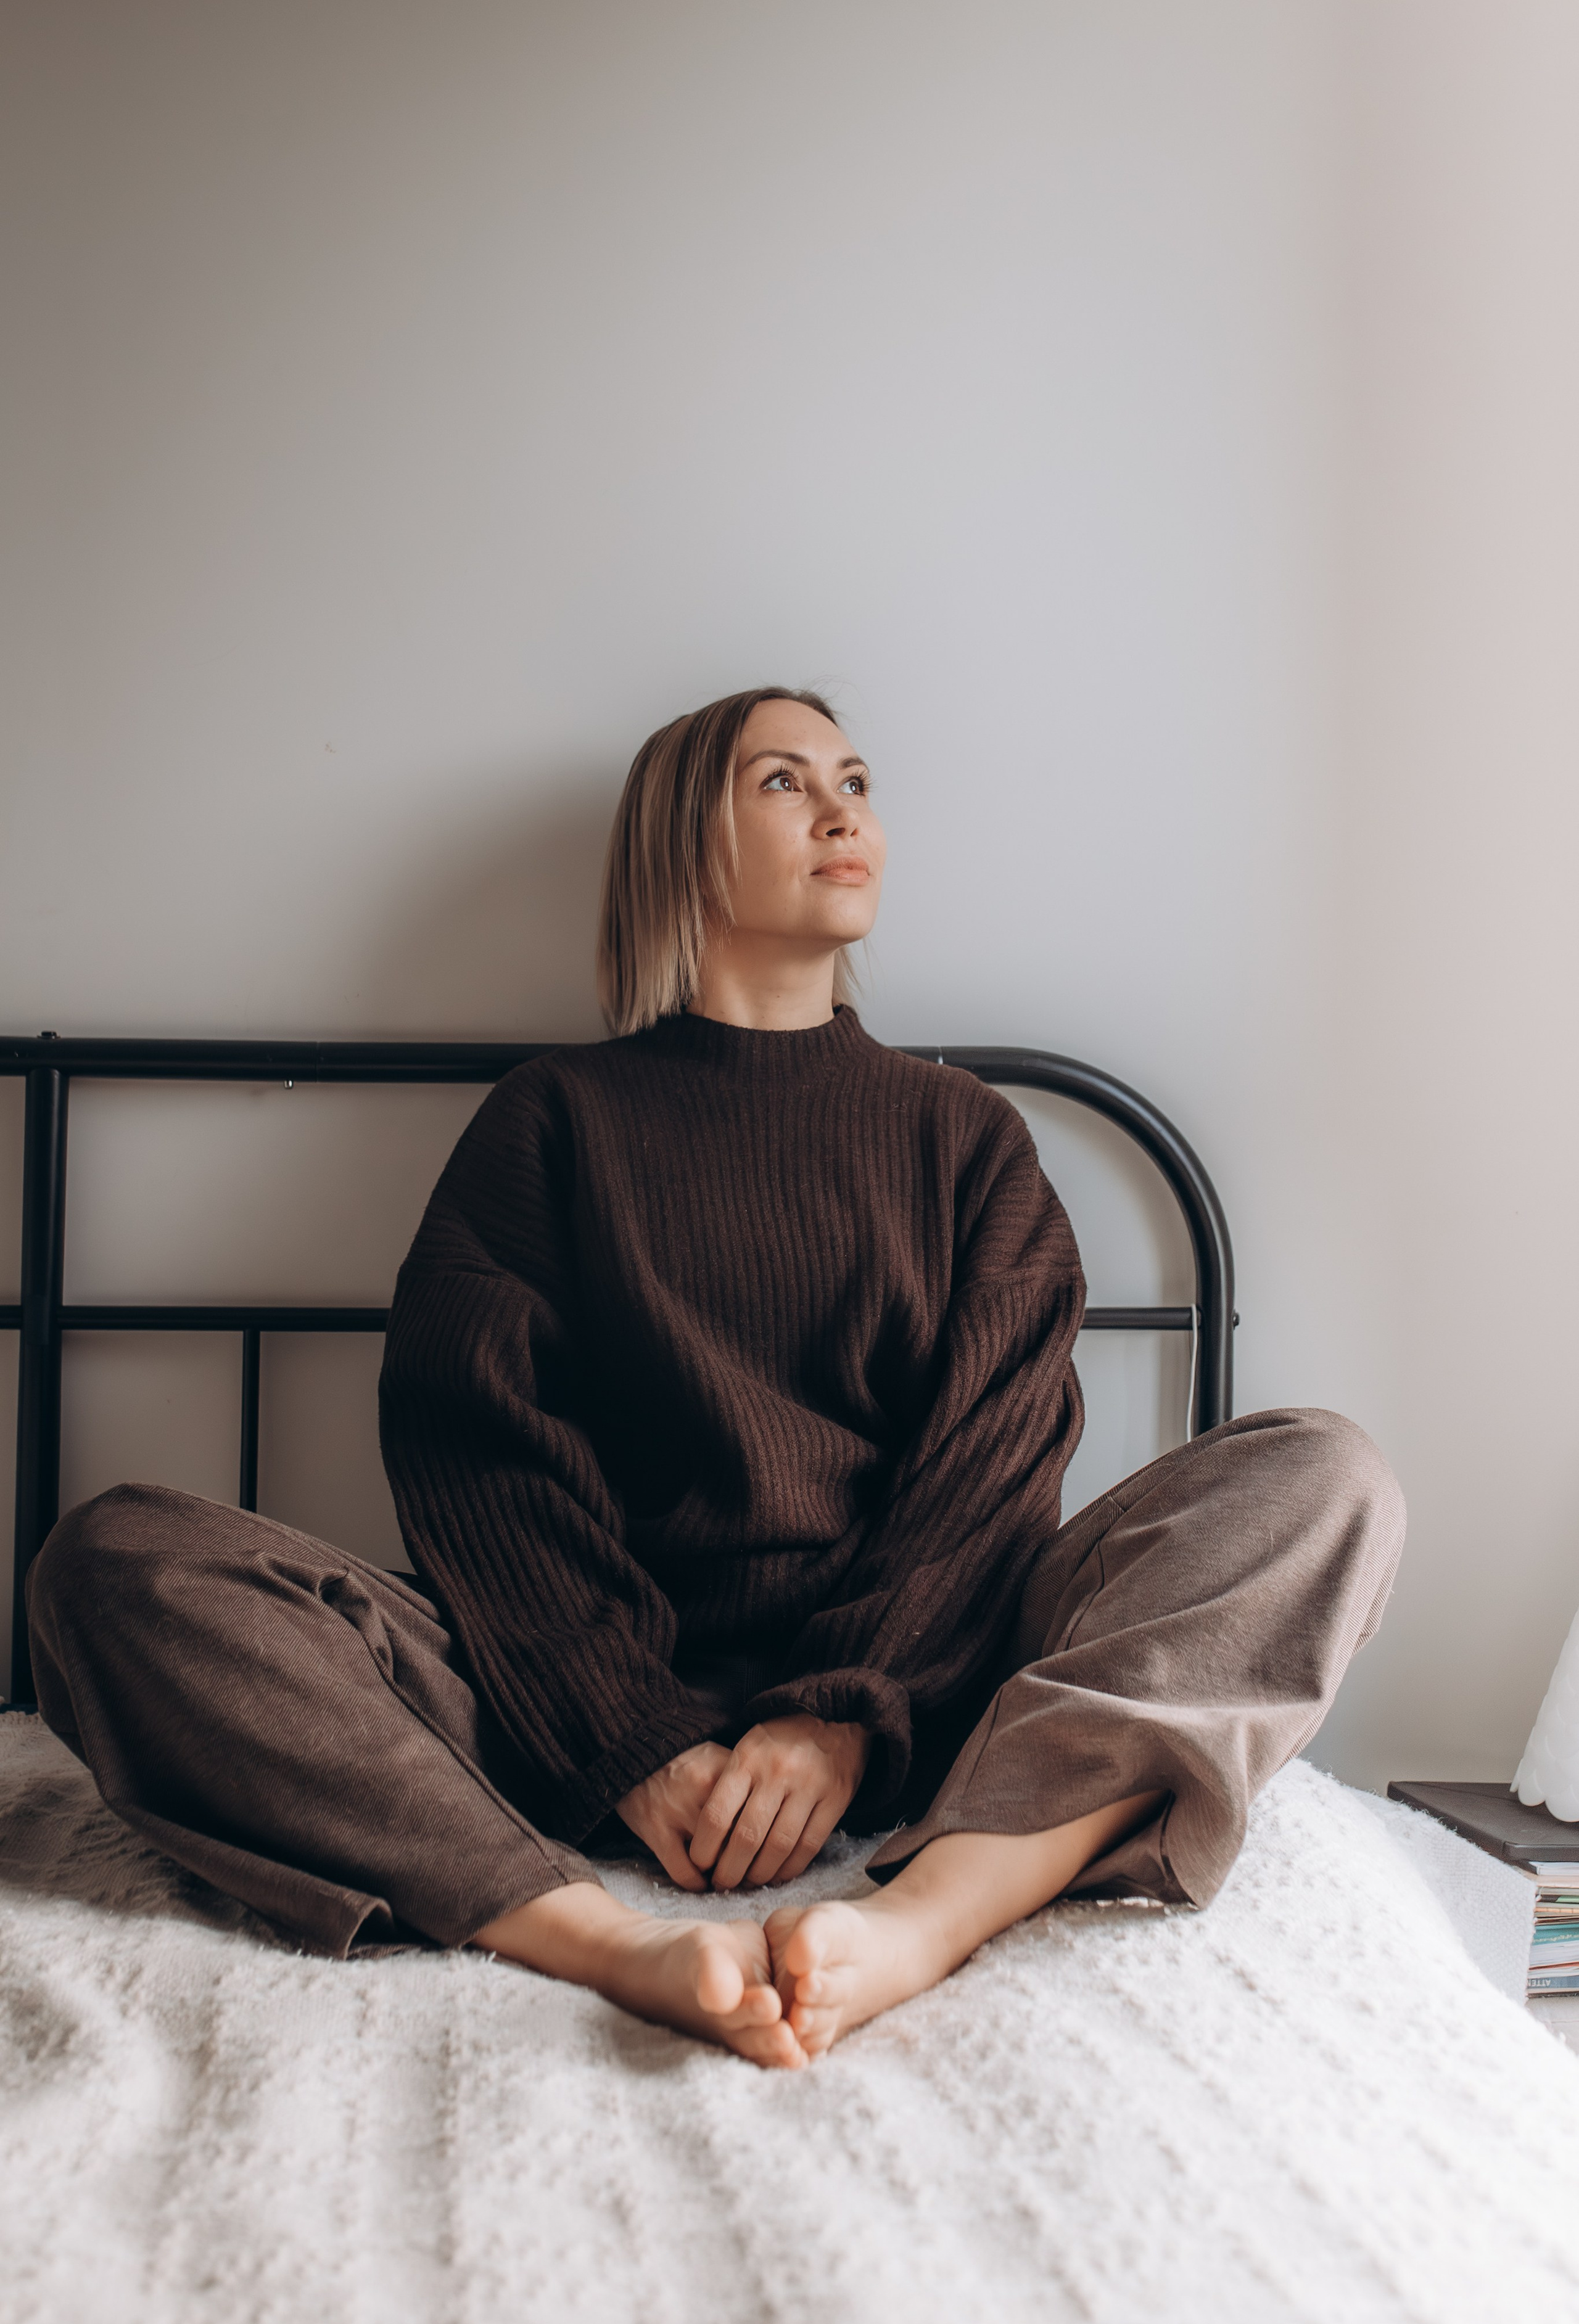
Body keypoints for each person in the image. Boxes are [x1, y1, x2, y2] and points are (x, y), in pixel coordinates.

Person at [26, 687, 1405, 2070]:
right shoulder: (552, 1124)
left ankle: (923, 1917)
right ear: (681, 846)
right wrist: (632, 1741)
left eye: (854, 780)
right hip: (560, 1707)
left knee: (1318, 1477)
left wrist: (838, 1721)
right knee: (116, 1560)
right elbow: (477, 1460)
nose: (841, 807)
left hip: (937, 1701)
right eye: (782, 783)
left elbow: (990, 1474)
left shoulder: (965, 1141)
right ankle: (600, 1937)